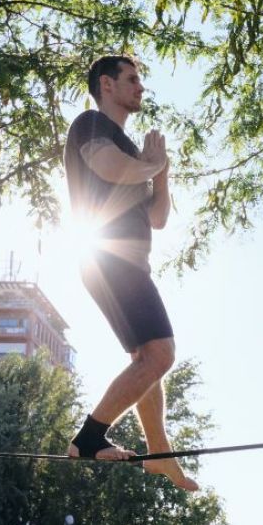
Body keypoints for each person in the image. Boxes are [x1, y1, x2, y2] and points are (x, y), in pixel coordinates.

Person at [62, 55, 197, 491]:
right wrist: (150, 167)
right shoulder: (92, 125)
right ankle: (88, 439)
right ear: (107, 84)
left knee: (147, 361)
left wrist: (162, 176)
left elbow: (157, 218)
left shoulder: (134, 150)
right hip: (109, 259)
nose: (140, 87)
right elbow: (108, 169)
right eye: (132, 79)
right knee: (161, 355)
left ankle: (160, 454)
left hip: (127, 264)